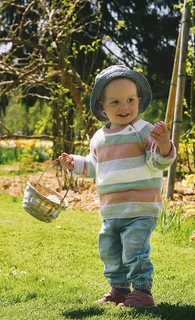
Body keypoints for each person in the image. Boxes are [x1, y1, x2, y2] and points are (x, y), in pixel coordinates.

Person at [58, 65, 176, 307]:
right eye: (115, 102)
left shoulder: (144, 131)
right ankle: (119, 289)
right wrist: (75, 163)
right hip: (112, 210)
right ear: (102, 107)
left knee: (134, 250)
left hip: (140, 208)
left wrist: (164, 143)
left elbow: (158, 162)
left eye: (130, 100)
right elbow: (94, 165)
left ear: (139, 100)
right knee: (110, 251)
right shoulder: (99, 138)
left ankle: (142, 291)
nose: (124, 107)